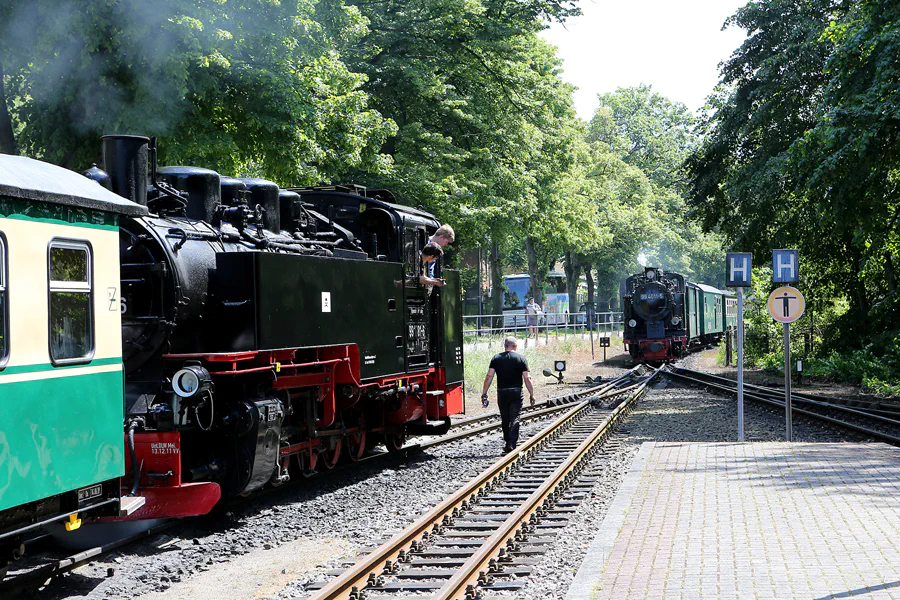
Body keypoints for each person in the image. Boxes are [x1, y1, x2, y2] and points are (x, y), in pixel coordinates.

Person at [481, 337, 535, 453]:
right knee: (515, 417)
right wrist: (532, 394)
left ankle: (507, 442)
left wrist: (484, 393)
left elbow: (489, 376)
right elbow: (527, 378)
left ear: (505, 346)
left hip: (502, 392)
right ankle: (512, 443)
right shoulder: (521, 359)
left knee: (505, 418)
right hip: (516, 391)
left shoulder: (496, 358)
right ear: (515, 346)